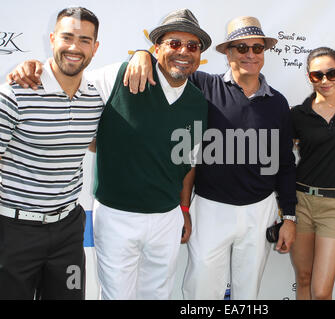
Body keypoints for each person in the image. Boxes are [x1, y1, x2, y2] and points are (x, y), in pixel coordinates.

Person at [7, 8, 211, 300]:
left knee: (159, 293)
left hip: (167, 217)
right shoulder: (119, 75)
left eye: (192, 46)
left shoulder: (197, 102)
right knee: (117, 295)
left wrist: (184, 209)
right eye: (174, 43)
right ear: (157, 48)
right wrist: (32, 67)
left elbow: (186, 161)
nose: (183, 51)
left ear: (199, 54)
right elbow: (68, 76)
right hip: (117, 215)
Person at [125, 16, 297, 300]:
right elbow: (169, 67)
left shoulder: (277, 102)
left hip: (260, 210)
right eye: (242, 48)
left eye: (257, 48)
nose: (250, 54)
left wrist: (289, 216)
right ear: (227, 52)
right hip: (209, 208)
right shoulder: (202, 85)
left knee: (248, 292)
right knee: (201, 290)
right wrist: (143, 54)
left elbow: (286, 163)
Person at [0, 7, 102, 300]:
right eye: (67, 37)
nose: (74, 47)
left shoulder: (95, 98)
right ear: (52, 38)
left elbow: (97, 142)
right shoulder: (15, 93)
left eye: (84, 40)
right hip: (14, 232)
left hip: (68, 233)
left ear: (95, 47)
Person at [290, 47, 335, 300]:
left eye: (331, 74)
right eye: (316, 76)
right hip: (301, 203)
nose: (324, 81)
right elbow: (278, 155)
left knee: (321, 292)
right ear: (309, 77)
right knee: (304, 278)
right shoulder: (298, 114)